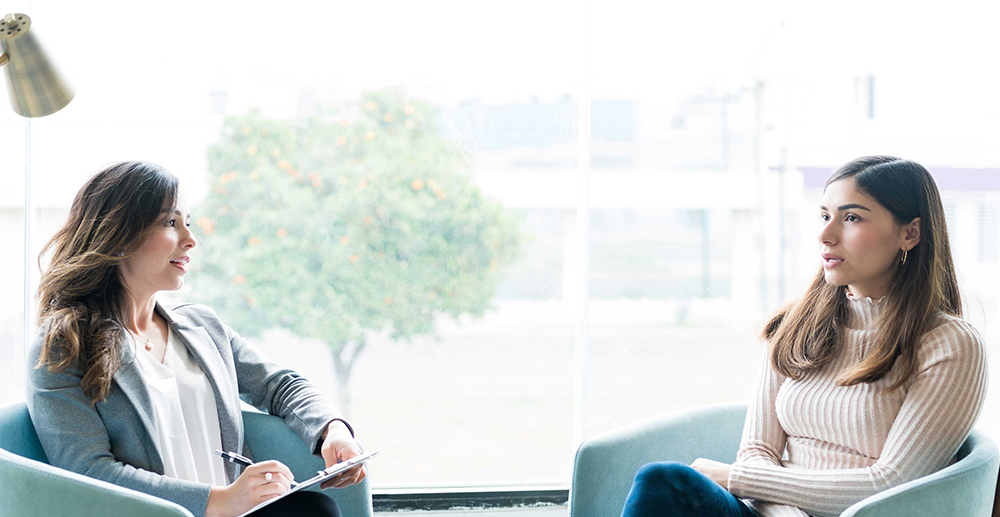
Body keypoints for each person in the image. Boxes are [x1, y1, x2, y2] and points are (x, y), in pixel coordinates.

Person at [620, 156, 988, 517]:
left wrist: (737, 478)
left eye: (852, 218)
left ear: (910, 233)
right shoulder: (799, 324)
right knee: (662, 482)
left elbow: (889, 484)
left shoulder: (950, 345)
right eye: (825, 216)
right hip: (773, 512)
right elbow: (757, 453)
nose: (825, 234)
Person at [27, 161, 366, 517]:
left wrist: (333, 430)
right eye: (171, 223)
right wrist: (221, 500)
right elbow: (89, 473)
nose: (190, 239)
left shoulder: (201, 326)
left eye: (187, 222)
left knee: (316, 510)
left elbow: (280, 385)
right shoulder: (64, 346)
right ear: (120, 236)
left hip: (239, 512)